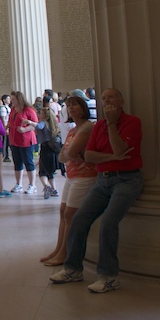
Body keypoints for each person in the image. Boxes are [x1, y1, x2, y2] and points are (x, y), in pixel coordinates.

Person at [50, 88, 143, 293]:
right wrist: (111, 158)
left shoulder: (131, 122)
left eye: (111, 96)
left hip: (127, 180)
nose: (106, 100)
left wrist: (111, 124)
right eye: (103, 98)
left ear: (122, 100)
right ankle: (73, 269)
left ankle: (109, 276)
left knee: (109, 222)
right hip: (103, 180)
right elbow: (90, 155)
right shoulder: (98, 126)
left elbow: (119, 149)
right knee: (79, 218)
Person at [40, 95, 95, 266]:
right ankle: (58, 248)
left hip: (85, 176)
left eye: (75, 105)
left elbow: (69, 153)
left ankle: (64, 252)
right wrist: (71, 153)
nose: (71, 108)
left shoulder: (87, 127)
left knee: (70, 214)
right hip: (72, 174)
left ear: (83, 108)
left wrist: (71, 153)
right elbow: (63, 157)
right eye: (69, 105)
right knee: (63, 212)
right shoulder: (73, 130)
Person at [26, 106, 60, 199]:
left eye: (40, 113)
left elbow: (39, 126)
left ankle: (46, 186)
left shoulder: (43, 122)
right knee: (50, 172)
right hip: (52, 150)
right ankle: (54, 189)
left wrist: (29, 122)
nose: (39, 115)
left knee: (43, 172)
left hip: (45, 149)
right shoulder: (53, 124)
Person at [8, 91, 38, 194]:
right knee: (17, 163)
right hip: (14, 139)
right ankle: (18, 184)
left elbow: (35, 124)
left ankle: (32, 184)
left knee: (28, 162)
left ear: (19, 99)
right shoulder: (13, 110)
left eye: (13, 99)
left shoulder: (29, 110)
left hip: (25, 140)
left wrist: (25, 129)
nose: (12, 101)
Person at [0, 95, 11, 161]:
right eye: (8, 99)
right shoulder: (3, 108)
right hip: (5, 126)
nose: (9, 100)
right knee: (5, 142)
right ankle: (5, 155)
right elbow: (3, 119)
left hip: (8, 126)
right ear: (4, 100)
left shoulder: (8, 108)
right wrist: (5, 128)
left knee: (7, 142)